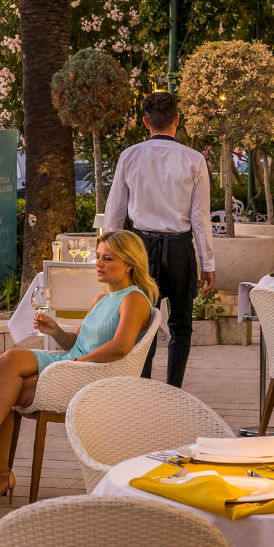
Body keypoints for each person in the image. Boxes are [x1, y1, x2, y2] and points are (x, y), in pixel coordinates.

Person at [0, 230, 157, 506]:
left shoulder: (133, 299)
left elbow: (120, 348)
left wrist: (76, 363)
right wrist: (57, 331)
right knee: (8, 366)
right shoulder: (100, 300)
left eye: (107, 258)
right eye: (98, 257)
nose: (98, 263)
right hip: (70, 363)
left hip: (88, 374)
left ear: (130, 263)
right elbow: (78, 342)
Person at [101, 91, 213, 388]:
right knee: (181, 325)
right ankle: (173, 390)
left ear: (145, 122)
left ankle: (144, 388)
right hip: (179, 249)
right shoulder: (194, 159)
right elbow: (201, 219)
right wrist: (208, 263)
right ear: (177, 120)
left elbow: (114, 214)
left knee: (144, 324)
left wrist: (106, 256)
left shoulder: (130, 156)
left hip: (140, 250)